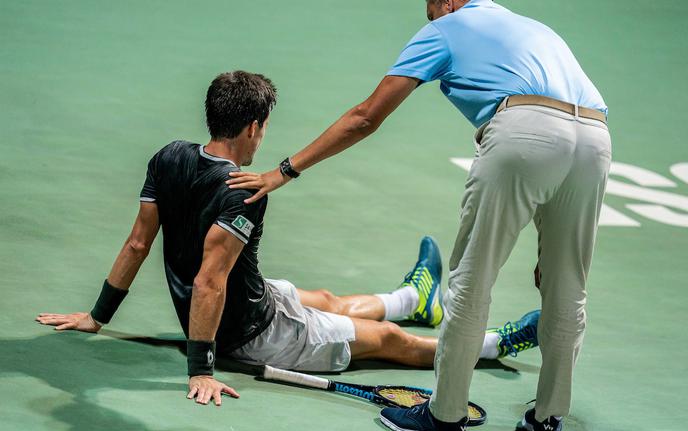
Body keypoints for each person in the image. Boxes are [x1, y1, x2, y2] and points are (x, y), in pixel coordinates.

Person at [226, 0, 611, 431]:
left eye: (429, 4)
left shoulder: (446, 27)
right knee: (568, 290)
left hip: (525, 130)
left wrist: (284, 170)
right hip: (596, 139)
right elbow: (568, 130)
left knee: (471, 282)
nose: (427, 13)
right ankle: (549, 423)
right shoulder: (530, 27)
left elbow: (366, 116)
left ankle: (445, 418)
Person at [36, 71, 540, 409]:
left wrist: (96, 316)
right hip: (257, 333)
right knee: (388, 343)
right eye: (265, 128)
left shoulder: (168, 156)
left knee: (323, 300)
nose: (263, 138)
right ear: (253, 127)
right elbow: (210, 281)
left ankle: (415, 296)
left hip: (254, 300)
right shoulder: (246, 193)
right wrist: (201, 369)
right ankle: (496, 345)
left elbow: (137, 244)